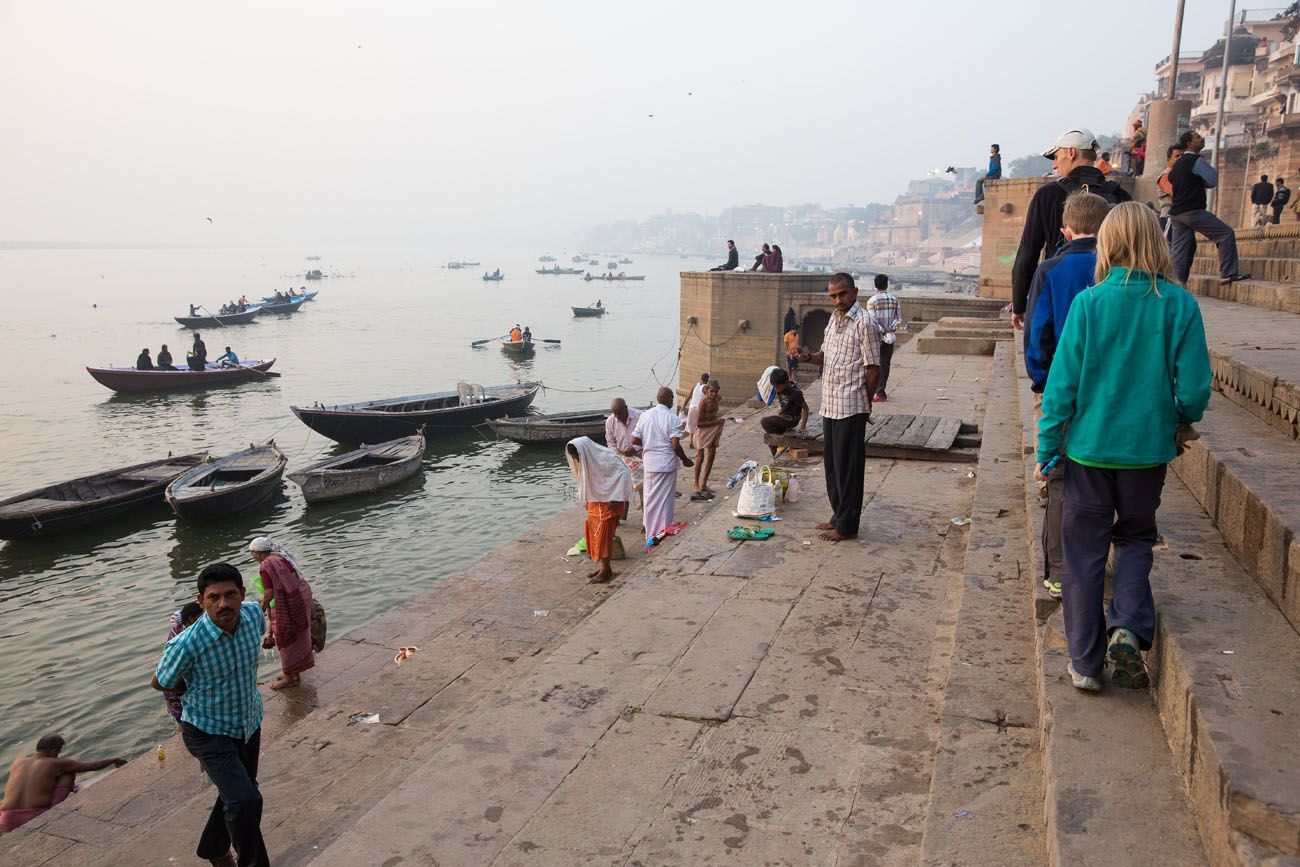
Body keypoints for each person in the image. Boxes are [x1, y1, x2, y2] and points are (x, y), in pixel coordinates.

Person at [1037, 203, 1210, 693]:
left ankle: (1086, 664)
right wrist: (1178, 419)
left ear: (1108, 245)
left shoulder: (1089, 305)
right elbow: (1195, 389)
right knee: (1134, 539)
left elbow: (1060, 390)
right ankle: (1129, 630)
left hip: (1088, 453)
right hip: (1147, 452)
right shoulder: (1180, 304)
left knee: (1084, 556)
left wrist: (1046, 451)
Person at [152, 562, 270, 867]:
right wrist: (189, 691)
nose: (223, 604)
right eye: (214, 597)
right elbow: (160, 681)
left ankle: (213, 848)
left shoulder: (254, 616)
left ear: (242, 594)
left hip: (247, 721)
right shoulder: (187, 643)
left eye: (230, 595)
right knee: (246, 799)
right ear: (201, 600)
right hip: (207, 730)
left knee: (240, 793)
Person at [1022, 191, 1109, 600]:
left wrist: (1042, 383)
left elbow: (1037, 334)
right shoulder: (1118, 270)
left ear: (1064, 230)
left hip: (1061, 385)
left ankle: (1058, 572)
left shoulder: (1053, 268)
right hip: (1109, 391)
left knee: (1057, 480)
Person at [1011, 128, 1130, 330]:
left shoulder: (1047, 194)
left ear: (1072, 153)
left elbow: (1028, 252)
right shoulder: (1120, 195)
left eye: (1057, 157)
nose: (1055, 165)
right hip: (1110, 291)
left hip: (1059, 289)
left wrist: (1020, 303)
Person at [796, 273, 882, 542]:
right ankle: (838, 515)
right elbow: (826, 356)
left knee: (849, 469)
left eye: (842, 294)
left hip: (851, 404)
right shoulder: (834, 319)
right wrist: (808, 357)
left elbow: (873, 369)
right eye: (833, 296)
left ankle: (848, 526)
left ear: (854, 292)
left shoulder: (865, 322)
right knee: (833, 467)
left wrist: (865, 404)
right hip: (831, 402)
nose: (838, 300)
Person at [1168, 131, 1250, 286]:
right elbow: (1212, 180)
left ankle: (1175, 283)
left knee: (1179, 250)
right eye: (1197, 137)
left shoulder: (1178, 164)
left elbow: (1172, 179)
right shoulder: (1196, 160)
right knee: (1225, 234)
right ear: (1189, 144)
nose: (1202, 139)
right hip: (1192, 210)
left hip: (1176, 214)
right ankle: (1228, 273)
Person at [0, 735, 126, 832]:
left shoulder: (18, 761)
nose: (58, 754)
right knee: (68, 772)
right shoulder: (55, 763)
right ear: (54, 751)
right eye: (59, 751)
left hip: (6, 819)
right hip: (34, 815)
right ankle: (63, 799)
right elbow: (92, 766)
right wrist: (113, 760)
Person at [248, 538, 315, 691]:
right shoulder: (280, 557)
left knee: (285, 637)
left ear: (257, 552)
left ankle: (289, 677)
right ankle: (294, 671)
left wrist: (261, 609)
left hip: (288, 603)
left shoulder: (266, 565)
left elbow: (269, 593)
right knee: (297, 635)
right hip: (300, 597)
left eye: (252, 553)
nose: (252, 556)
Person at [566, 437, 634, 583]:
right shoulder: (586, 460)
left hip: (609, 503)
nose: (576, 460)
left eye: (577, 456)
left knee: (603, 536)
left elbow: (624, 473)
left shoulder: (607, 457)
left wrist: (614, 497)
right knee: (594, 535)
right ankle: (605, 567)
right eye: (574, 458)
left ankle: (605, 570)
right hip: (595, 503)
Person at [631, 386, 693, 543]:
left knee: (650, 500)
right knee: (665, 502)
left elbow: (634, 440)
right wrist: (685, 459)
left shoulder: (645, 415)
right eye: (672, 398)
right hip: (666, 465)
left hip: (650, 464)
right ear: (669, 399)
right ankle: (661, 535)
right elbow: (675, 445)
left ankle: (650, 536)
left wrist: (649, 442)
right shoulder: (672, 418)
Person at [163, 602, 204, 723]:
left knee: (178, 714)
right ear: (192, 618)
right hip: (176, 688)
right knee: (182, 716)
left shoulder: (178, 629)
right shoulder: (184, 638)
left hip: (172, 686)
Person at [866, 274, 901, 402]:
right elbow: (898, 319)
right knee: (885, 364)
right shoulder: (894, 299)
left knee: (872, 364)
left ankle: (873, 391)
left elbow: (872, 320)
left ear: (875, 285)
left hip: (875, 337)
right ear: (887, 284)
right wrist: (889, 329)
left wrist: (882, 330)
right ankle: (881, 392)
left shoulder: (872, 301)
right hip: (889, 337)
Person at [760, 368, 809, 455]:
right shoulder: (780, 389)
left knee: (764, 421)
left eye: (777, 387)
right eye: (774, 386)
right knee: (769, 433)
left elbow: (806, 409)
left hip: (791, 419)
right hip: (783, 416)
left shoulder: (796, 393)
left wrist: (803, 427)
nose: (775, 389)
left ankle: (779, 444)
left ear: (786, 383)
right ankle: (777, 446)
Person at [691, 381, 724, 500]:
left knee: (711, 456)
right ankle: (696, 482)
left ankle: (704, 484)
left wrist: (716, 422)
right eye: (712, 391)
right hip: (703, 430)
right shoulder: (703, 403)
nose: (714, 394)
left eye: (716, 391)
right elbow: (699, 423)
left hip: (714, 429)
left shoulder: (717, 398)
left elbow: (717, 400)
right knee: (700, 457)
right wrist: (717, 422)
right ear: (707, 391)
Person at [1156, 144, 1184, 238]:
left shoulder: (1180, 175)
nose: (1180, 158)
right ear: (1169, 159)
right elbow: (1176, 194)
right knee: (1168, 249)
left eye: (1182, 156)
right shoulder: (1165, 176)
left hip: (1181, 219)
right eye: (1177, 156)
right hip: (1169, 218)